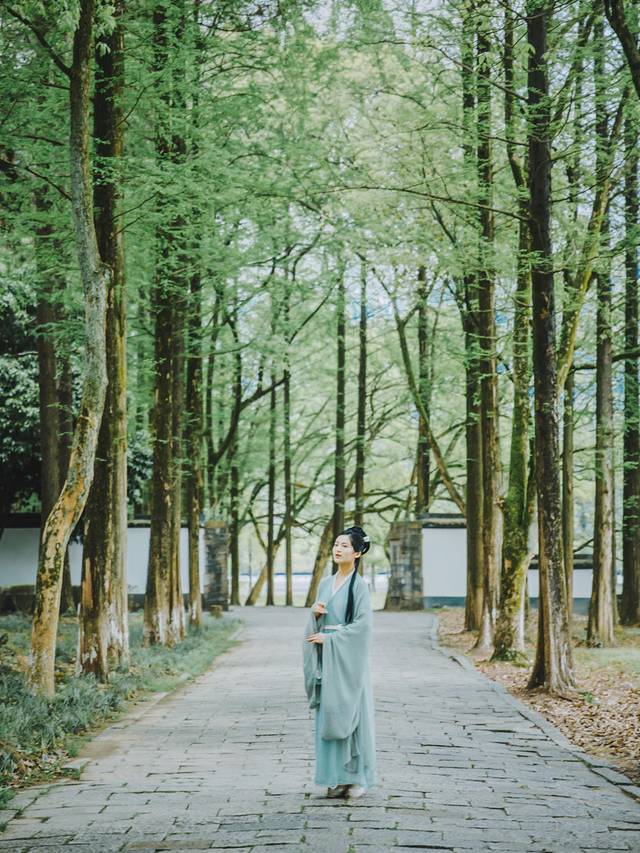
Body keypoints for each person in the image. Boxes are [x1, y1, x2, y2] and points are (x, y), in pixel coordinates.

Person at [303, 525, 376, 799]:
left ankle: (356, 778)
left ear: (357, 553)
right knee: (330, 715)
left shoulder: (360, 586)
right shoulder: (325, 583)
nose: (338, 549)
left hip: (348, 659)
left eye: (345, 545)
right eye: (336, 544)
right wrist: (315, 615)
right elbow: (317, 618)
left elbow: (363, 627)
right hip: (328, 659)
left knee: (352, 712)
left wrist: (331, 639)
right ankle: (335, 776)